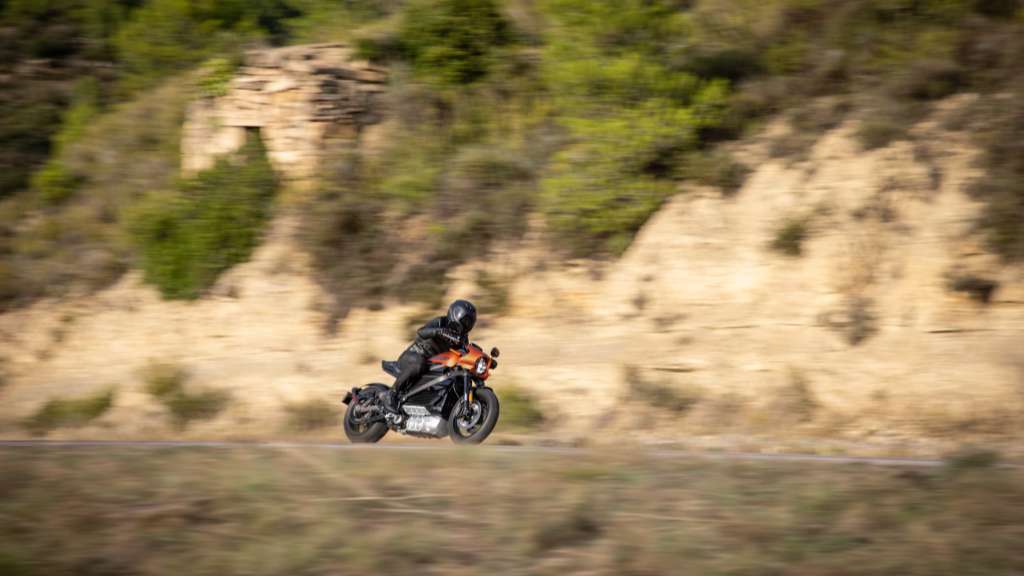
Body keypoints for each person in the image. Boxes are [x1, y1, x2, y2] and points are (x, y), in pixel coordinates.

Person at [383, 300, 477, 414]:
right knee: (419, 363)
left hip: (433, 364)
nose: (467, 324)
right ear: (456, 314)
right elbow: (421, 332)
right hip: (414, 356)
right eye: (465, 320)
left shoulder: (462, 338)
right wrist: (439, 331)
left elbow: (463, 352)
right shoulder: (441, 322)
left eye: (469, 322)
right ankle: (391, 394)